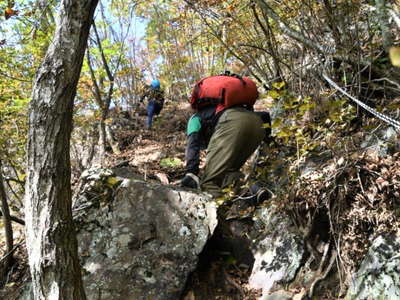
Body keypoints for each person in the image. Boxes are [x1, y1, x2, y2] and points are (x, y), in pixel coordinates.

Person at [179, 71, 271, 203]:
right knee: (228, 171)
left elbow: (192, 144)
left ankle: (222, 215)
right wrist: (268, 142)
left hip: (232, 124)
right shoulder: (227, 107)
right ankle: (253, 191)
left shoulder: (195, 119)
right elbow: (265, 116)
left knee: (209, 181)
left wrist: (191, 172)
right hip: (257, 123)